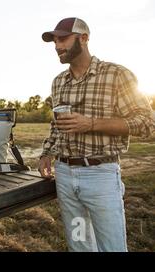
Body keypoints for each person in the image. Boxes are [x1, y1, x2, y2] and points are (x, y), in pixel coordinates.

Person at [39, 17, 154, 252]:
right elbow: (55, 124)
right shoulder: (59, 81)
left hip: (100, 176)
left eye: (63, 39)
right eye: (54, 41)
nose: (57, 46)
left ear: (84, 38)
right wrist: (46, 152)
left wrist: (91, 124)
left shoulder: (117, 75)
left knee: (111, 247)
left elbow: (147, 124)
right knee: (79, 244)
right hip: (65, 177)